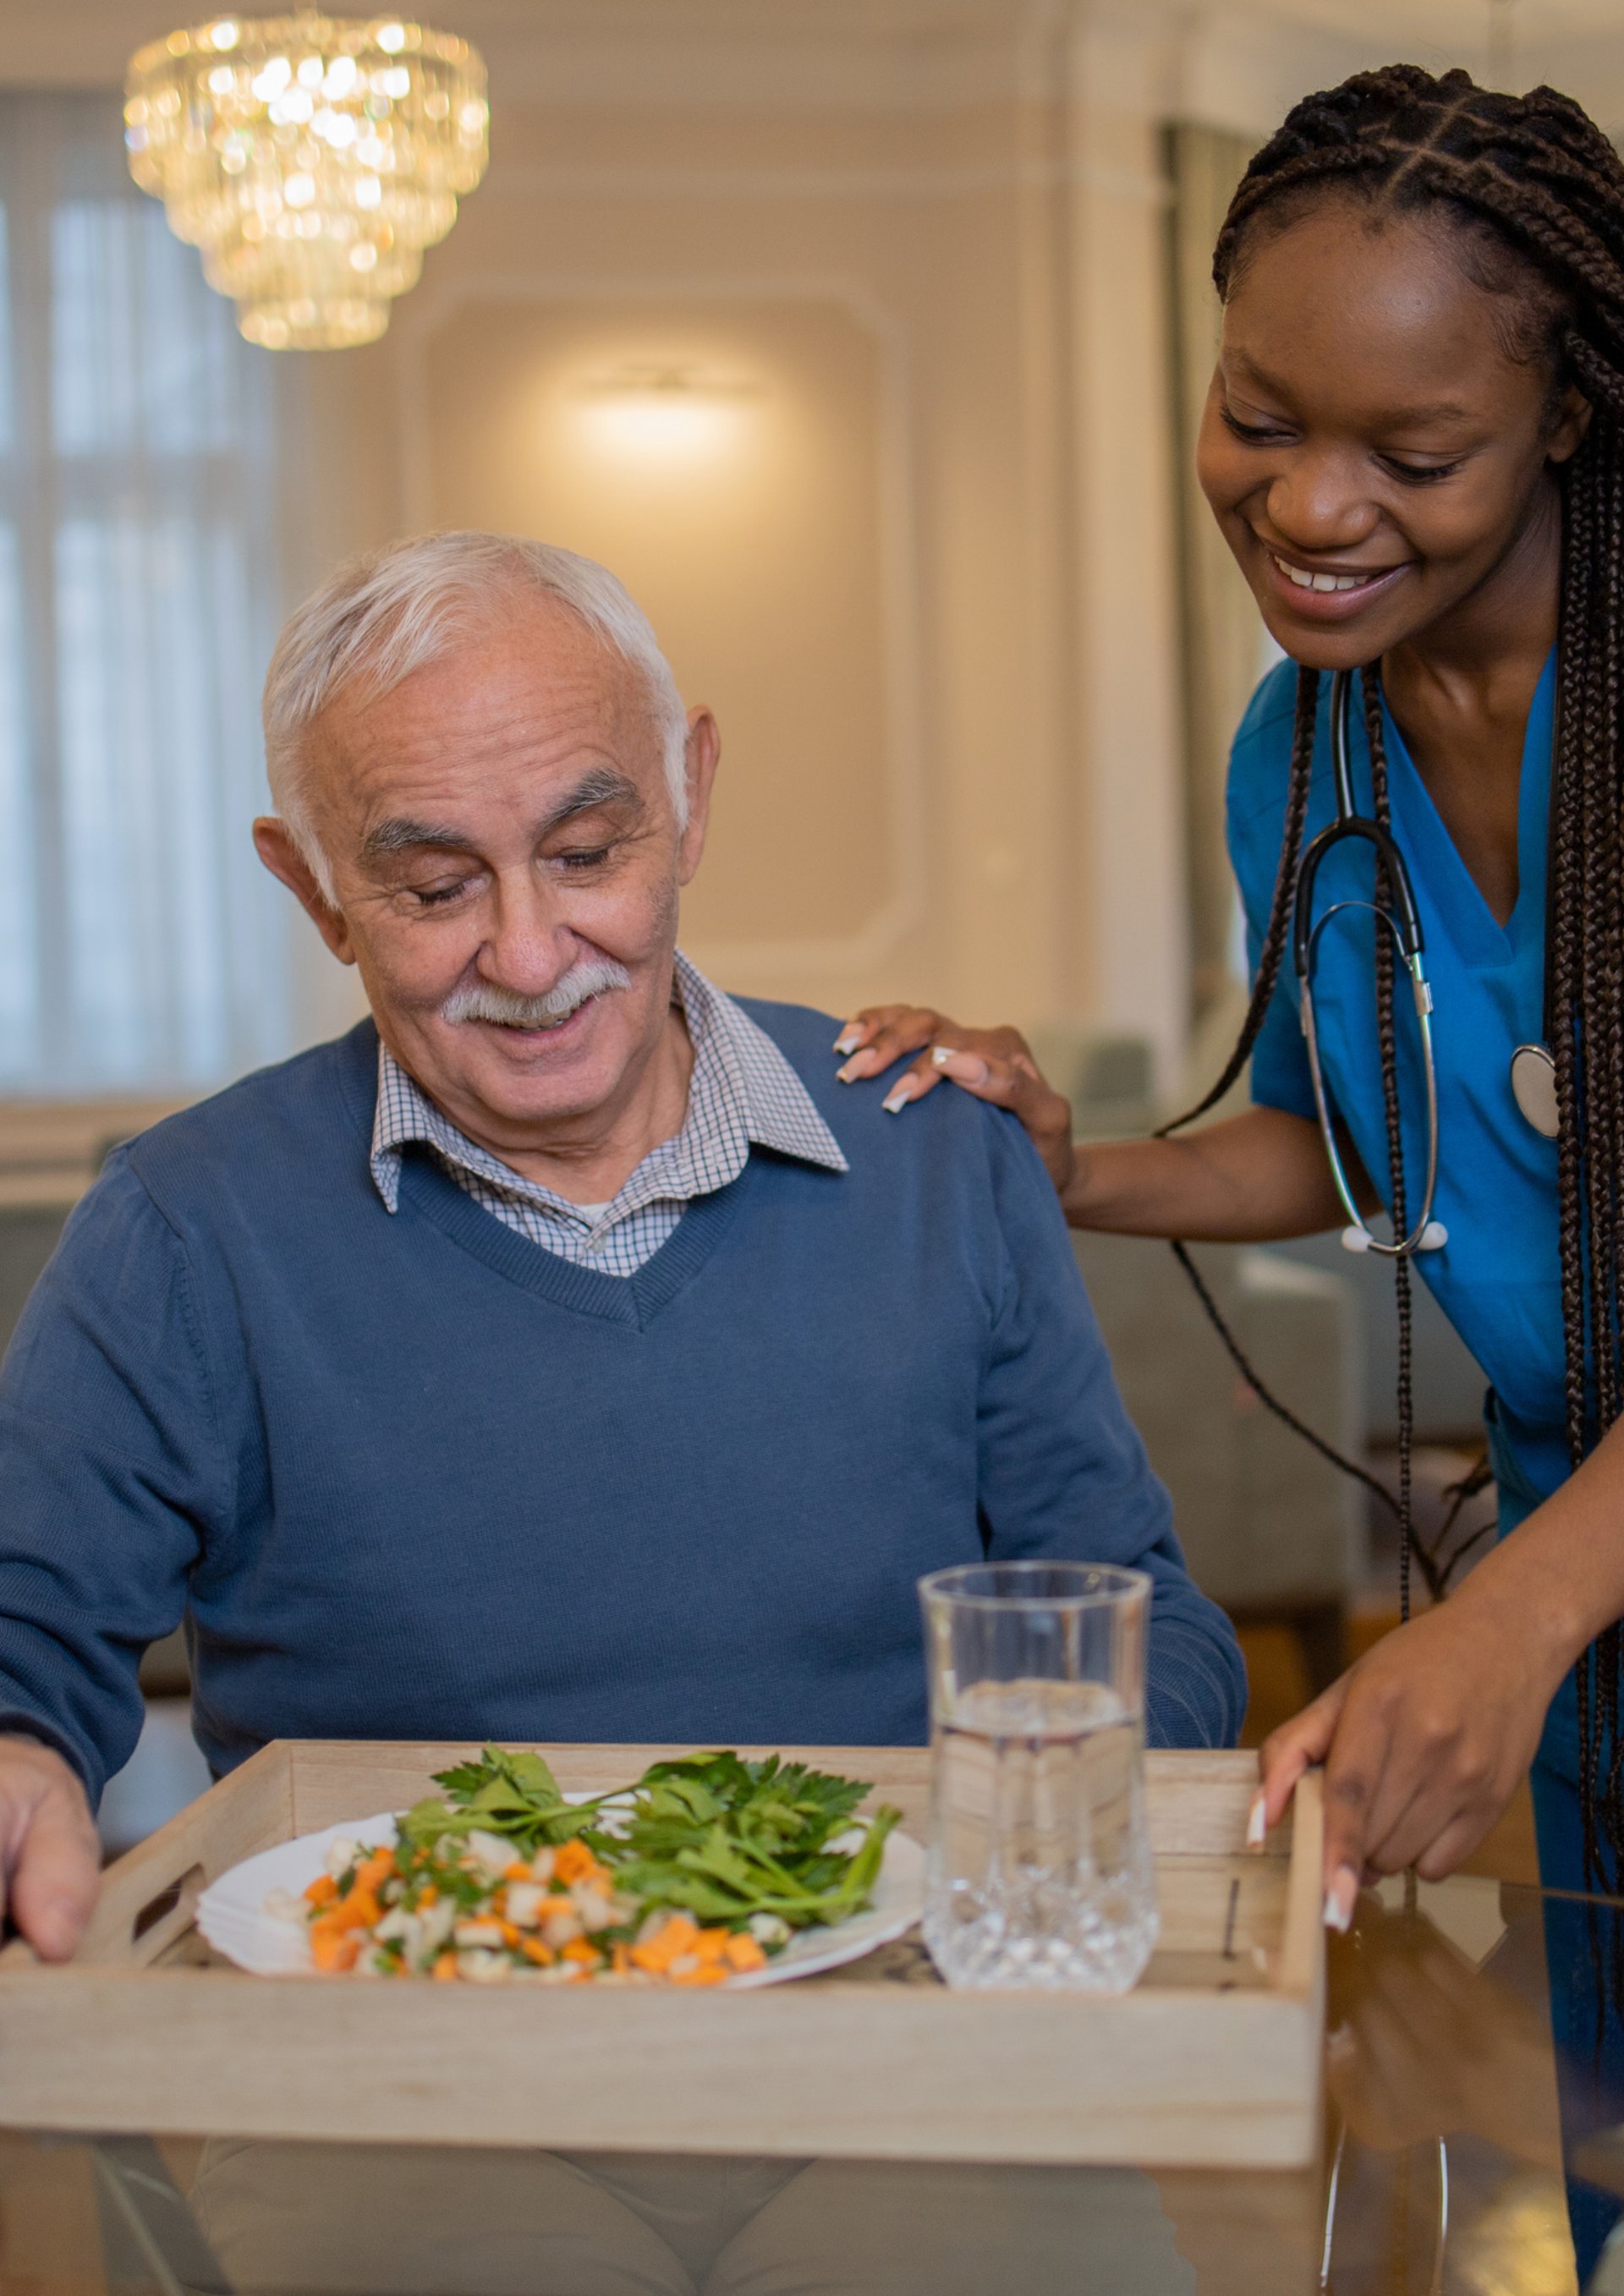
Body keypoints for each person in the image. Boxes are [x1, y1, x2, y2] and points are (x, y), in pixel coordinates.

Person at [0, 531, 1243, 1968]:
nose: (532, 958)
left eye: (587, 855)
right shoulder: (181, 1229)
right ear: (315, 888)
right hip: (395, 2059)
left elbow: (1144, 1625)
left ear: (691, 796)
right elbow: (22, 1641)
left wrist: (1046, 1822)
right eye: (433, 887)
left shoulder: (938, 1150)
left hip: (901, 2023)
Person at [831, 63, 1624, 2273]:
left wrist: (1511, 1620)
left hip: (1560, 1582)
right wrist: (1071, 1167)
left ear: (1563, 416)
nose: (1311, 503)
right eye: (1259, 414)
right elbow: (1352, 1133)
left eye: (1413, 450)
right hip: (1575, 1555)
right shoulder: (1305, 743)